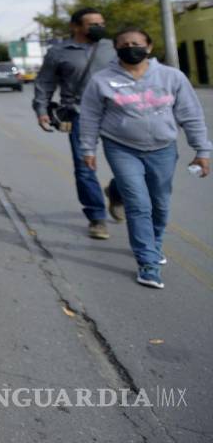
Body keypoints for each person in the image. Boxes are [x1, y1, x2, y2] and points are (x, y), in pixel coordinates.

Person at [78, 27, 211, 289]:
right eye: (124, 44)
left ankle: (155, 243)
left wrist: (202, 150)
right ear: (116, 49)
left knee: (160, 203)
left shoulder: (171, 77)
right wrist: (88, 148)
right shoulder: (102, 80)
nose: (131, 47)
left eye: (136, 43)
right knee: (139, 204)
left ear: (149, 47)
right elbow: (90, 116)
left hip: (163, 148)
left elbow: (191, 115)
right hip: (121, 147)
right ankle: (147, 263)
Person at [33, 8, 121, 239]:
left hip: (119, 113)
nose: (99, 27)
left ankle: (117, 191)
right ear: (75, 27)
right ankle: (97, 218)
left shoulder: (113, 47)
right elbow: (45, 82)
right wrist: (42, 109)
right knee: (85, 168)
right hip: (80, 114)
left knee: (127, 163)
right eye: (93, 23)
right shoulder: (59, 51)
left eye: (101, 23)